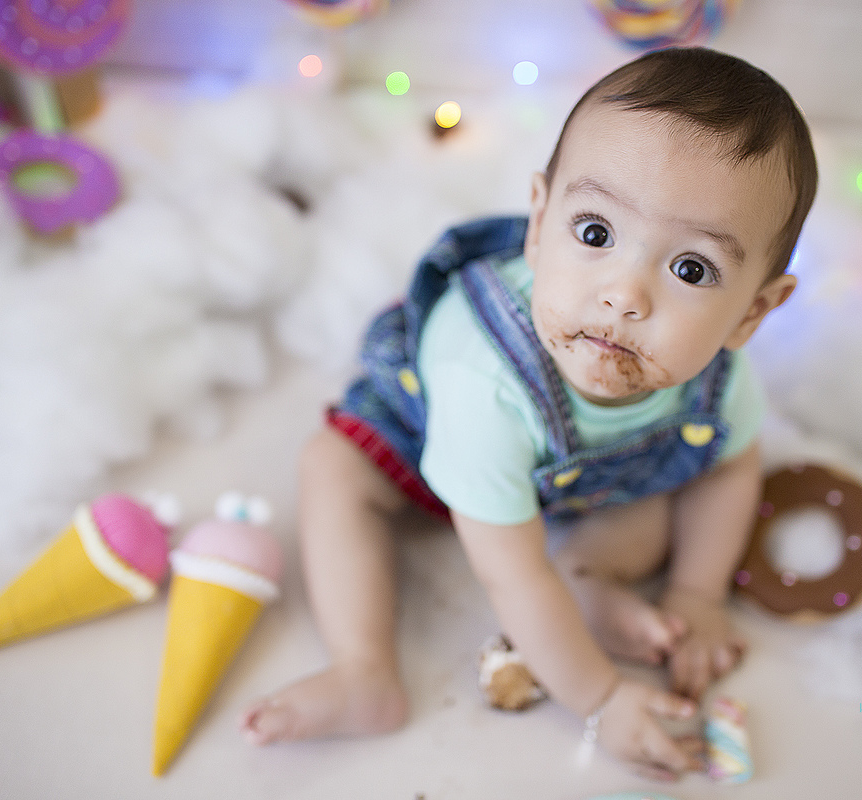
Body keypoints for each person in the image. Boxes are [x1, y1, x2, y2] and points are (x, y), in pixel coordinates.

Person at [242, 46, 817, 780]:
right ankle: (364, 670)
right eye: (597, 233)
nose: (624, 294)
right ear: (539, 223)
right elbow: (511, 576)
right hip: (423, 436)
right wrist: (603, 700)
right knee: (332, 469)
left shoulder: (713, 380)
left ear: (754, 312)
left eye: (691, 269)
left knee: (666, 495)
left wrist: (696, 594)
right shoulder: (481, 379)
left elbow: (731, 466)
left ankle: (591, 581)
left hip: (576, 479)